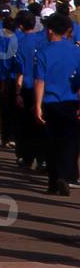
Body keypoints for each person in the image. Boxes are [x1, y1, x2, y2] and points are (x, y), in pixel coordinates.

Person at [34, 12, 80, 196]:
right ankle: (66, 175)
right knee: (70, 142)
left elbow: (40, 81)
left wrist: (37, 105)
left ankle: (54, 181)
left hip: (50, 102)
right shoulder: (76, 51)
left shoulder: (44, 51)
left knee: (51, 143)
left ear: (50, 30)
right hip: (71, 102)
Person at [14, 11, 46, 170]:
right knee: (41, 126)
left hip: (27, 87)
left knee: (26, 126)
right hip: (43, 89)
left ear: (20, 26)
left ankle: (27, 158)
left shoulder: (19, 41)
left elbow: (19, 70)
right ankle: (42, 159)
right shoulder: (43, 40)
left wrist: (17, 92)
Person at [0, 15, 19, 147]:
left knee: (4, 109)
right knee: (16, 110)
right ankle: (14, 136)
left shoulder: (0, 40)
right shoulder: (20, 39)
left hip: (4, 79)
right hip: (18, 79)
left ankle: (6, 136)